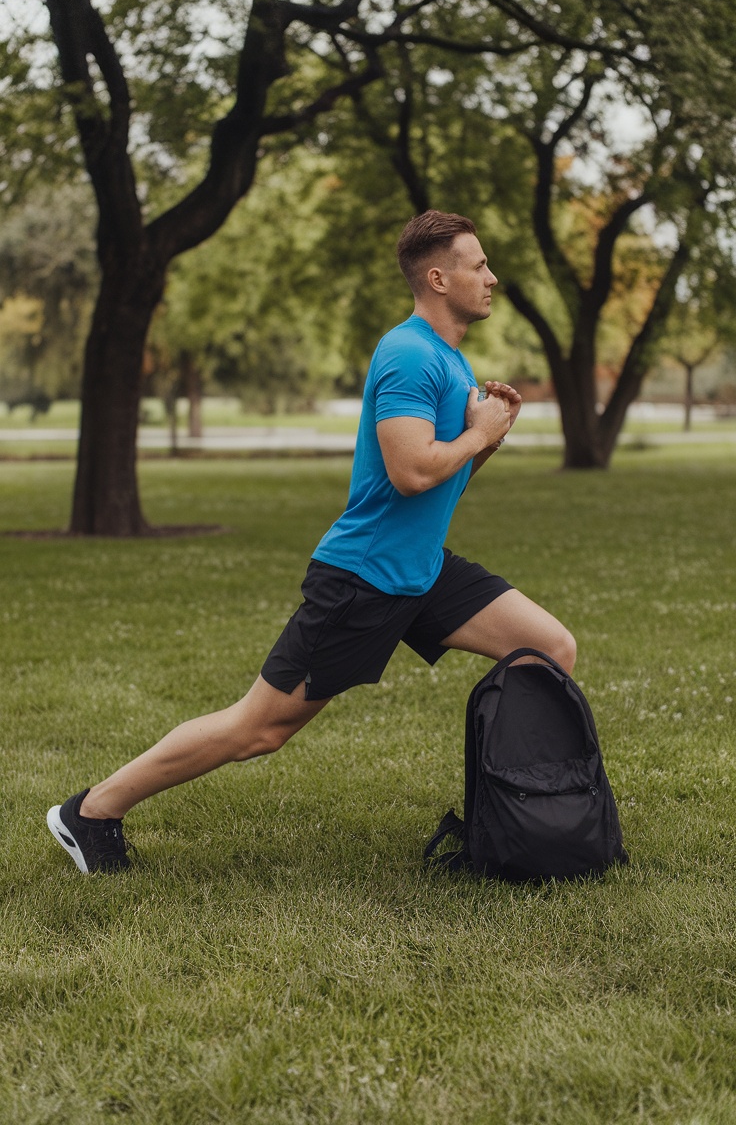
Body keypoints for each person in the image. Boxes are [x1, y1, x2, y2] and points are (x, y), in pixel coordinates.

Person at [47, 210, 576, 874]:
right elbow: (411, 474)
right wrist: (479, 431)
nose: (492, 276)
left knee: (548, 650)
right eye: (478, 264)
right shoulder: (409, 354)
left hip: (420, 571)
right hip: (365, 577)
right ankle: (90, 811)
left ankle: (515, 822)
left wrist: (485, 439)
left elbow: (443, 485)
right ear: (438, 278)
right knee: (258, 729)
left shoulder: (448, 356)